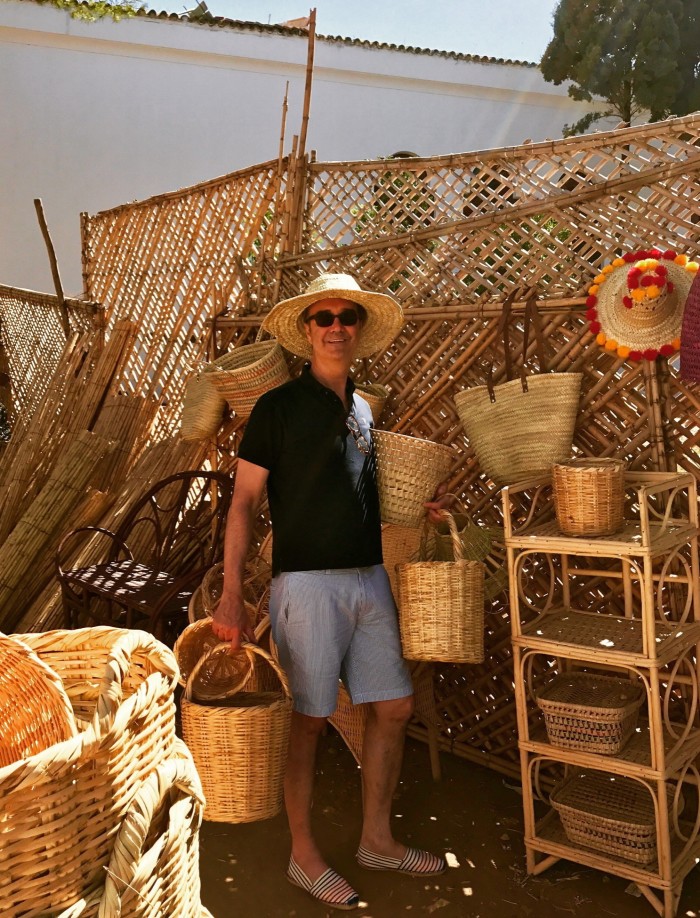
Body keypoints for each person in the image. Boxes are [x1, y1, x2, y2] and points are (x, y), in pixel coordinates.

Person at [212, 273, 451, 910]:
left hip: (369, 580)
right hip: (308, 587)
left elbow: (360, 496)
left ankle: (377, 840)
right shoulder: (277, 409)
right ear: (308, 331)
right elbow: (241, 503)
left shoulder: (364, 410)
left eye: (348, 317)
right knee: (310, 721)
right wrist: (232, 593)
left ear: (360, 330)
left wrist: (418, 508)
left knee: (394, 706)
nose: (337, 327)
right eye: (325, 317)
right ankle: (303, 854)